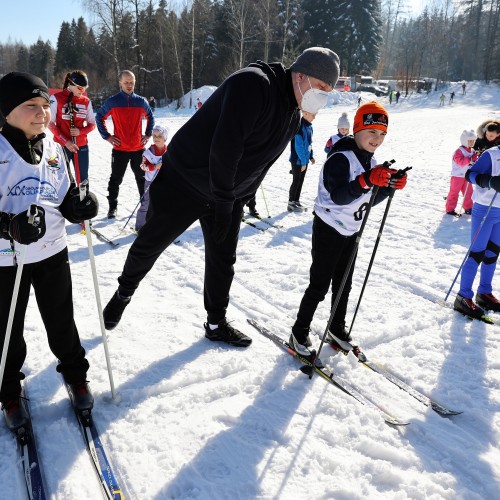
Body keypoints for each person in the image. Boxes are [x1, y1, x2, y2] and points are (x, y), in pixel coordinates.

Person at [102, 47, 340, 347]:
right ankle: (124, 292)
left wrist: (239, 199)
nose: (323, 96)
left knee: (223, 260)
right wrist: (228, 201)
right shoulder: (254, 84)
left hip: (226, 193)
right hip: (186, 180)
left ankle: (215, 323)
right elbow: (225, 149)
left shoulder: (292, 113)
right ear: (301, 75)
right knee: (151, 243)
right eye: (321, 88)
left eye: (328, 92)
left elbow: (262, 163)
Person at [0, 72, 98, 431]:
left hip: (52, 250)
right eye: (31, 106)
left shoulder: (54, 147)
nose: (42, 113)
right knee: (6, 330)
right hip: (7, 259)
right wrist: (9, 226)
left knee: (61, 320)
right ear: (7, 111)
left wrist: (79, 205)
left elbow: (63, 195)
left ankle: (76, 375)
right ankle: (9, 389)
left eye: (45, 105)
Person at [289, 102, 408, 356]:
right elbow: (341, 196)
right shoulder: (341, 158)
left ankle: (336, 327)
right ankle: (298, 332)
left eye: (382, 134)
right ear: (356, 129)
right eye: (371, 131)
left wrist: (388, 186)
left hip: (351, 230)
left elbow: (367, 199)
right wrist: (367, 180)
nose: (377, 139)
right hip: (328, 228)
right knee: (319, 286)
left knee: (344, 283)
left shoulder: (371, 160)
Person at [96, 70, 155, 218]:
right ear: (120, 83)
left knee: (142, 179)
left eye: (132, 82)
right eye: (126, 82)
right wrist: (107, 137)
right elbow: (99, 117)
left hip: (138, 149)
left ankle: (145, 206)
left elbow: (151, 117)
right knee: (116, 179)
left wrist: (148, 134)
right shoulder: (113, 101)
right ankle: (112, 208)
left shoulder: (141, 101)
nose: (129, 85)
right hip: (120, 149)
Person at [454, 141, 500, 317]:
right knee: (477, 253)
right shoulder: (492, 155)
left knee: (493, 253)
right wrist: (489, 181)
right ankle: (463, 296)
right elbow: (469, 174)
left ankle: (484, 293)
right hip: (485, 208)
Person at [49, 70, 95, 183]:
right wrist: (66, 141)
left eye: (85, 87)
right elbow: (50, 124)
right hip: (61, 146)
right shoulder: (56, 98)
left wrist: (81, 131)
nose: (83, 90)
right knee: (58, 179)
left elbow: (92, 124)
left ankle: (83, 200)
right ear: (70, 84)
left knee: (83, 179)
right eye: (80, 88)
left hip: (81, 146)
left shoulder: (86, 101)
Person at [135, 124, 169, 232]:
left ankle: (162, 227)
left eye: (159, 136)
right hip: (150, 182)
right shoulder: (149, 152)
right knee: (146, 204)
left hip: (163, 181)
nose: (156, 138)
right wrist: (154, 166)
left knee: (163, 204)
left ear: (165, 138)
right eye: (154, 136)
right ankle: (140, 227)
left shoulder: (168, 151)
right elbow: (142, 166)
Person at [288, 111, 316, 212]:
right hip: (297, 160)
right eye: (313, 114)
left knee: (301, 181)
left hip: (304, 160)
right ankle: (291, 202)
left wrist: (311, 156)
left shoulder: (309, 127)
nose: (314, 117)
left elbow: (308, 143)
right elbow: (298, 146)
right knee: (296, 181)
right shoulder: (299, 127)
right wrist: (303, 162)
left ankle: (296, 200)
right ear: (305, 114)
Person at [445, 130, 478, 216]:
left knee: (469, 192)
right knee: (454, 192)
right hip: (457, 176)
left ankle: (468, 207)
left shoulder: (472, 151)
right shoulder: (459, 151)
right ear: (464, 140)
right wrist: (471, 159)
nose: (472, 143)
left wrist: (475, 159)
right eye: (470, 141)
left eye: (473, 141)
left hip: (467, 176)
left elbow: (474, 162)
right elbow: (460, 162)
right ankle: (450, 209)